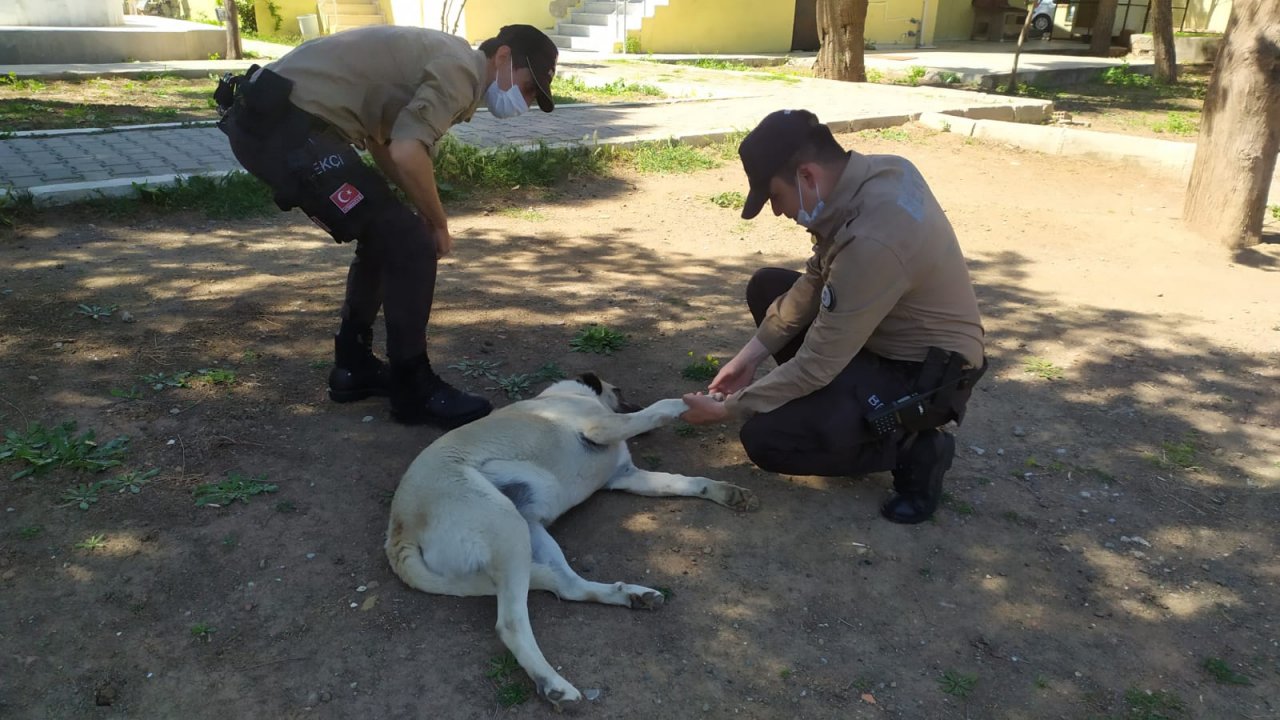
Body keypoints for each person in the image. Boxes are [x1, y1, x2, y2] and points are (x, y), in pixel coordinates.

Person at [215, 24, 559, 429]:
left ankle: (353, 366)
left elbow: (384, 144)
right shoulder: (463, 72)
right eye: (530, 87)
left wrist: (419, 213)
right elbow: (409, 151)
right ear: (502, 58)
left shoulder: (446, 57)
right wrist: (437, 224)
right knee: (411, 242)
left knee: (390, 232)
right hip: (285, 130)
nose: (528, 100)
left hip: (271, 123)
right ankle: (413, 387)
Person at [680, 109, 987, 524]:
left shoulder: (873, 241)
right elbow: (818, 273)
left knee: (766, 438)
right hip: (878, 333)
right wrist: (747, 359)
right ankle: (838, 409)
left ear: (806, 176)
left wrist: (732, 407)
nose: (775, 210)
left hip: (923, 379)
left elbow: (817, 365)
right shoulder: (883, 173)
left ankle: (914, 448)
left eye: (774, 196)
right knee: (768, 286)